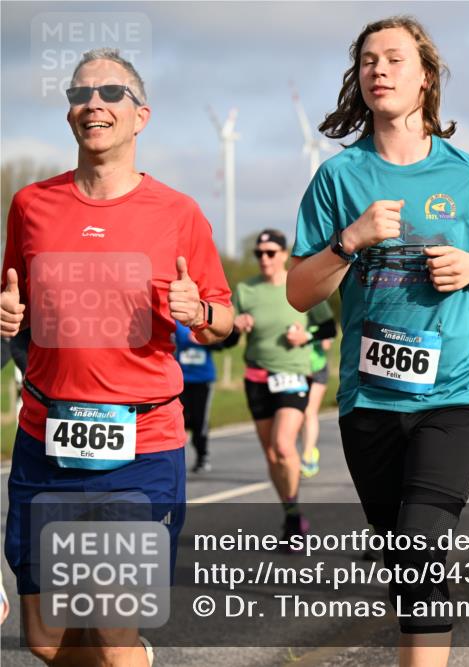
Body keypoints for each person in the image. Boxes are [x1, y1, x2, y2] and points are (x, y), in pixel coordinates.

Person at [286, 16, 469, 665]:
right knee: (404, 559)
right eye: (368, 60)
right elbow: (301, 291)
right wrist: (350, 240)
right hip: (370, 401)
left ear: (425, 78)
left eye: (394, 59)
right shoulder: (339, 180)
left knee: (422, 543)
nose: (379, 70)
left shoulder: (464, 172)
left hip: (454, 390)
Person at [1, 48, 233, 665]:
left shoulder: (178, 213)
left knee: (109, 629)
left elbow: (225, 321)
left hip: (142, 446)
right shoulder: (29, 206)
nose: (93, 104)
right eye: (80, 95)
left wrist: (200, 313)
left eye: (110, 93)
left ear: (141, 116)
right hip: (44, 438)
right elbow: (12, 315)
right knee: (46, 641)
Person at [232, 229, 336, 544]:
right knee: (272, 456)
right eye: (259, 253)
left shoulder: (299, 283)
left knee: (283, 445)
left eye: (270, 252)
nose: (264, 258)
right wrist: (236, 328)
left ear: (282, 254)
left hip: (293, 374)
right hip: (256, 377)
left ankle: (292, 514)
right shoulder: (245, 290)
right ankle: (291, 512)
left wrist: (307, 336)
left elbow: (329, 326)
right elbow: (228, 339)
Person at [174, 320, 238, 473]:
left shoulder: (202, 319)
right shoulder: (175, 322)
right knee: (179, 419)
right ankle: (175, 459)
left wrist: (203, 339)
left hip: (202, 380)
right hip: (180, 379)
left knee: (199, 420)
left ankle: (202, 456)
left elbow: (221, 343)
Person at [300, 319, 337, 478]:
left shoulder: (321, 317)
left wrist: (314, 338)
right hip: (297, 370)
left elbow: (327, 344)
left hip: (317, 369)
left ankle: (308, 457)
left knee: (309, 412)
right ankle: (308, 448)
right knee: (299, 415)